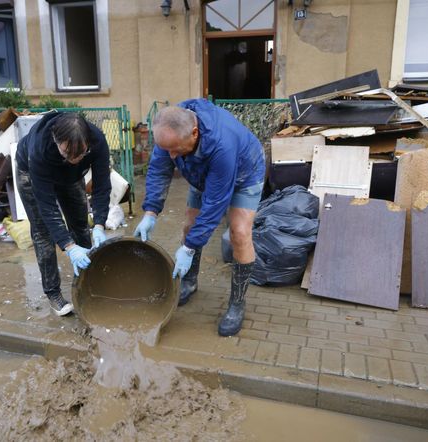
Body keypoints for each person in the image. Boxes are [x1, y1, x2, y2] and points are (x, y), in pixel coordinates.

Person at [134, 99, 265, 336]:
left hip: (244, 174)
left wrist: (189, 248)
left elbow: (215, 205)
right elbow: (158, 169)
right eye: (167, 150)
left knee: (240, 233)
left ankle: (237, 303)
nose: (171, 156)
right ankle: (190, 281)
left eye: (175, 149)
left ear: (194, 133)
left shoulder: (222, 145)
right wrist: (150, 212)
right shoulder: (171, 129)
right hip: (202, 171)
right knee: (189, 226)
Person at [16, 111, 111, 316]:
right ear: (55, 139)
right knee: (43, 232)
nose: (75, 159)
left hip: (71, 178)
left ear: (88, 142)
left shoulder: (97, 141)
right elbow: (47, 206)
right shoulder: (39, 147)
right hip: (31, 174)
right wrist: (68, 247)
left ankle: (87, 283)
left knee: (81, 226)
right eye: (68, 154)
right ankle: (53, 293)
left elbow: (102, 186)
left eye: (81, 154)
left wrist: (101, 224)